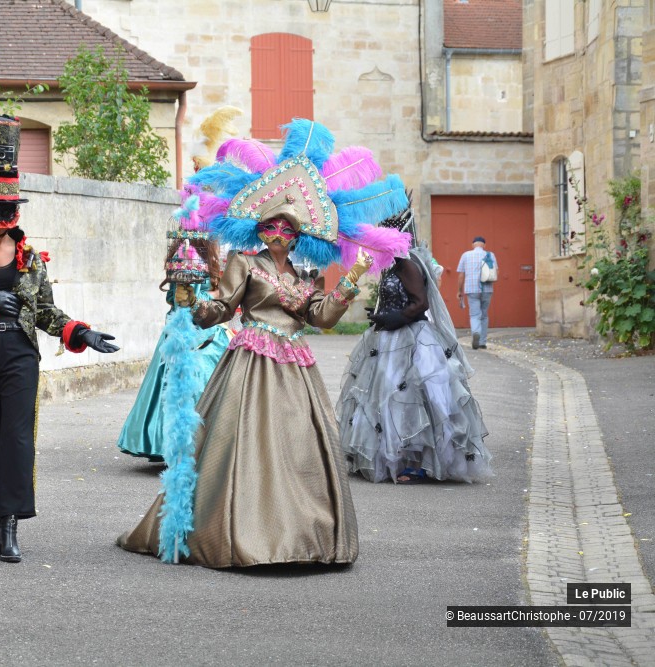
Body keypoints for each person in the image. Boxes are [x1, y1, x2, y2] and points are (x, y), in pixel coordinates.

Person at [117, 120, 411, 567]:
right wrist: (191, 301)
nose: (278, 234)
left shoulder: (305, 275)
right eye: (271, 225)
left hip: (296, 369)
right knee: (242, 447)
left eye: (287, 229)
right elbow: (220, 308)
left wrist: (350, 281)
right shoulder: (244, 262)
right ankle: (241, 532)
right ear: (259, 227)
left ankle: (302, 537)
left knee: (299, 448)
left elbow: (320, 318)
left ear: (300, 235)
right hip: (250, 365)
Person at [0, 115, 119, 564]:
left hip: (19, 352)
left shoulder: (32, 259)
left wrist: (81, 332)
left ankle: (11, 523)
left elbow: (46, 311)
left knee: (16, 437)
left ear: (16, 212)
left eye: (5, 212)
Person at [338, 205, 492, 484]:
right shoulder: (393, 264)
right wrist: (382, 313)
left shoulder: (407, 263)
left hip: (411, 338)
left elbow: (420, 304)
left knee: (410, 395)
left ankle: (416, 463)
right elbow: (397, 298)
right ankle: (393, 457)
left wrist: (393, 317)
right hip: (389, 338)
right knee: (386, 393)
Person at [116, 235, 230, 462]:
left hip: (198, 327)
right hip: (193, 331)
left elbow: (173, 296)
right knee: (189, 386)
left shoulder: (192, 253)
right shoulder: (189, 254)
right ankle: (188, 446)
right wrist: (215, 296)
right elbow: (183, 301)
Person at [456, 236, 497, 349]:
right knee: (484, 315)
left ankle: (476, 332)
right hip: (487, 288)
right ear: (484, 245)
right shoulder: (490, 255)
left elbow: (461, 275)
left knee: (474, 315)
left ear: (473, 244)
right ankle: (482, 342)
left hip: (471, 289)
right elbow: (496, 272)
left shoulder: (466, 255)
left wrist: (459, 291)